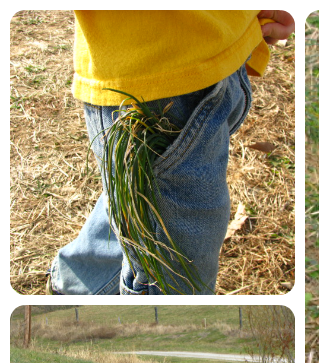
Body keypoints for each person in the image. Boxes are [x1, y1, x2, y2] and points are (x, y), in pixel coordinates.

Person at [46, 10, 295, 295]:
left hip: (222, 45)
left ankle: (78, 283)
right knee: (175, 271)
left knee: (141, 204)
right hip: (154, 80)